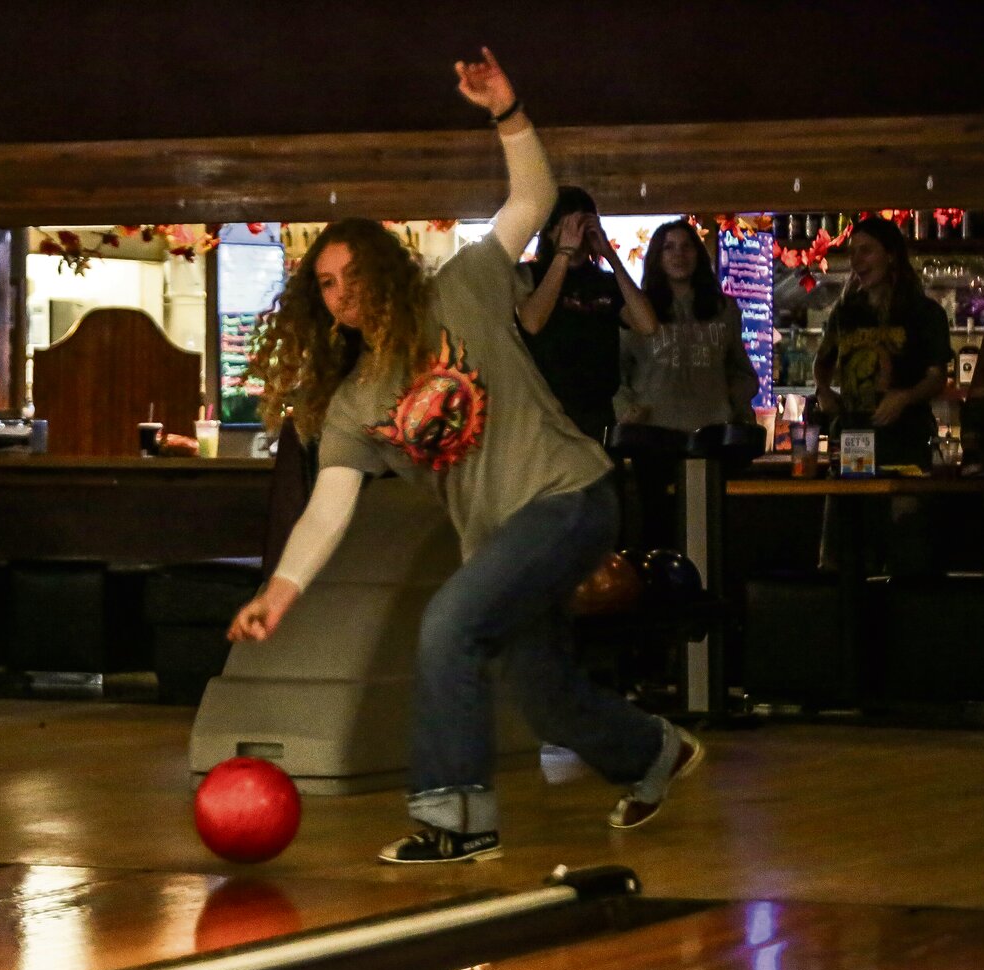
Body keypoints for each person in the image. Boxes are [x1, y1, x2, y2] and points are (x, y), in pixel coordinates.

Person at [229, 48, 702, 865]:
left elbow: (533, 199)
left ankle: (455, 820)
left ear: (382, 268)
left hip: (569, 495)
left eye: (348, 275)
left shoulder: (465, 286)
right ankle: (653, 753)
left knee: (447, 623)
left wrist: (507, 112)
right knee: (547, 700)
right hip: (504, 540)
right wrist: (279, 591)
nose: (339, 294)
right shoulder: (356, 402)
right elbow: (329, 509)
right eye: (325, 287)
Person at [812, 215, 952, 574]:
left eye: (866, 251)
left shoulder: (923, 313)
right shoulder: (845, 312)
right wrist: (824, 390)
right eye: (852, 252)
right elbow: (822, 361)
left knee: (905, 552)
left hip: (904, 442)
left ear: (891, 255)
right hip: (854, 439)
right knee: (845, 553)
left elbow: (937, 377)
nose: (856, 261)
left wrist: (904, 397)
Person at [615, 219, 759, 547]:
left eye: (686, 246)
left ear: (698, 254)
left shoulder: (724, 309)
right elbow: (615, 373)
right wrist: (625, 409)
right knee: (658, 531)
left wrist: (732, 404)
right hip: (652, 436)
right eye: (669, 247)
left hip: (709, 435)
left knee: (709, 530)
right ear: (657, 257)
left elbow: (742, 371)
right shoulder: (636, 311)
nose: (678, 254)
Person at [515, 187, 657, 443]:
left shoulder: (605, 282)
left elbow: (647, 325)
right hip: (543, 414)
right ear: (550, 230)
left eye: (584, 225)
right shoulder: (530, 275)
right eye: (570, 225)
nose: (578, 235)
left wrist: (610, 256)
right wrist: (563, 253)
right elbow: (532, 322)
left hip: (597, 414)